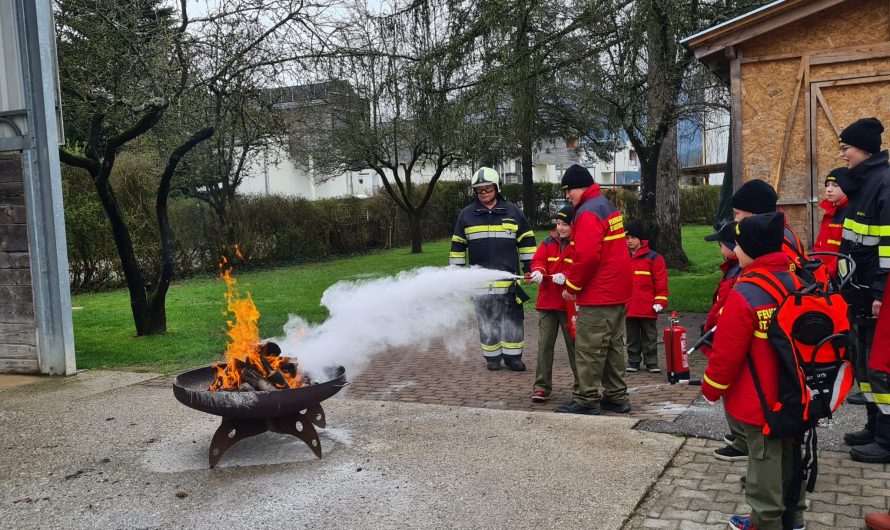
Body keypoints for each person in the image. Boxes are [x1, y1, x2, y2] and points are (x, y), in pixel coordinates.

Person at [700, 211, 807, 530]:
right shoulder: (796, 280)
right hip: (794, 393)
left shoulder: (745, 292)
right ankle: (795, 517)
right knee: (792, 456)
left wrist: (710, 390)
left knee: (763, 463)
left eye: (740, 245)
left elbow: (727, 354)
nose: (735, 250)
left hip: (758, 399)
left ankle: (764, 522)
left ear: (752, 250)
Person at [554, 164, 633, 415]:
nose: (568, 196)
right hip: (617, 292)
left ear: (581, 187)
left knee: (588, 349)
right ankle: (617, 397)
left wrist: (572, 286)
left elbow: (586, 256)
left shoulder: (588, 213)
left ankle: (587, 400)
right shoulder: (606, 206)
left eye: (569, 191)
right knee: (611, 348)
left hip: (599, 294)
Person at [834, 117, 890, 464]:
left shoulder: (883, 185)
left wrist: (879, 294)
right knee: (866, 367)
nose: (843, 155)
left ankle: (886, 440)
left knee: (881, 368)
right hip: (859, 292)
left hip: (874, 294)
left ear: (865, 150)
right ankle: (874, 427)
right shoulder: (864, 183)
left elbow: (887, 247)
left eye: (846, 149)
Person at [450, 167, 536, 372]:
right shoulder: (466, 215)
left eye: (487, 189)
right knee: (487, 320)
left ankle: (514, 358)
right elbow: (457, 247)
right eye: (479, 191)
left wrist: (530, 267)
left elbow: (527, 242)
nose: (484, 194)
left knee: (512, 319)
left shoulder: (513, 212)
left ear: (496, 188)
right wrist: (456, 275)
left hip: (508, 284)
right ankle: (492, 358)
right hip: (480, 285)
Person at [527, 205, 578, 402]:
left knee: (575, 346)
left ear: (574, 225)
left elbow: (583, 267)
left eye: (565, 224)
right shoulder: (547, 242)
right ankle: (541, 387)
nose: (561, 228)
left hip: (569, 304)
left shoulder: (580, 243)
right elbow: (538, 261)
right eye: (558, 223)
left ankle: (581, 387)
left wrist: (565, 276)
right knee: (544, 345)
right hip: (548, 302)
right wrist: (538, 271)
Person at [623, 220, 669, 374]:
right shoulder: (622, 257)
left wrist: (660, 300)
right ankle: (633, 360)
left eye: (633, 238)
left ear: (640, 239)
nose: (629, 241)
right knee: (632, 336)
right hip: (629, 305)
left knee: (650, 335)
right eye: (627, 237)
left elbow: (660, 281)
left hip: (648, 305)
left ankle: (651, 361)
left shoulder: (654, 258)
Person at [812, 167, 850, 278]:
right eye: (827, 185)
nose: (829, 189)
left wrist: (828, 274)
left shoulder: (850, 214)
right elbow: (819, 245)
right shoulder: (830, 213)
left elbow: (845, 252)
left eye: (835, 185)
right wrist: (814, 266)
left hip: (838, 278)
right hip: (822, 275)